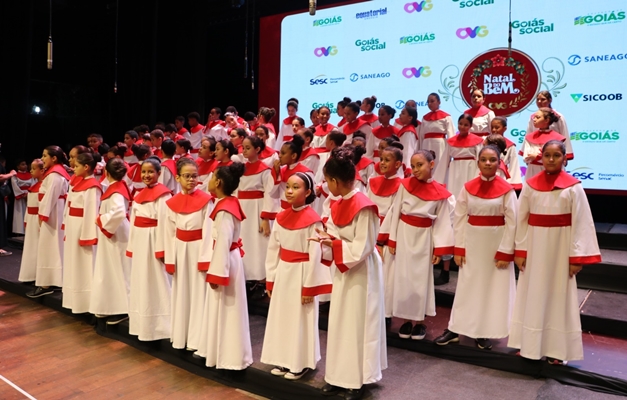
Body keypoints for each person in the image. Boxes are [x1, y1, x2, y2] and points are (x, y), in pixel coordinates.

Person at [509, 140, 601, 365]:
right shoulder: (530, 185)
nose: (550, 159)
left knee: (558, 297)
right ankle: (529, 346)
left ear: (564, 158)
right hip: (534, 248)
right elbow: (521, 220)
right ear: (541, 157)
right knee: (532, 295)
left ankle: (557, 350)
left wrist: (576, 257)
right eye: (547, 155)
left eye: (556, 155)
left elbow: (582, 224)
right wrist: (520, 250)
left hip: (561, 251)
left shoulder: (573, 187)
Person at [311, 147, 386, 400]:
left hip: (361, 271)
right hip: (345, 270)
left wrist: (336, 245)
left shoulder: (364, 207)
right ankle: (337, 376)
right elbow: (334, 232)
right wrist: (325, 238)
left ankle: (357, 379)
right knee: (341, 322)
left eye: (326, 180)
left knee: (358, 323)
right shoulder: (335, 202)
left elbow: (363, 246)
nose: (325, 185)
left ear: (334, 180)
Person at [434, 145, 518, 350]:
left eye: (492, 160)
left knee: (492, 289)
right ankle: (456, 328)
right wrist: (459, 248)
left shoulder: (507, 190)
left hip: (496, 246)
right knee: (467, 287)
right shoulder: (467, 187)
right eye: (484, 160)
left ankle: (484, 333)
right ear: (477, 162)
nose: (488, 163)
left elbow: (513, 222)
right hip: (472, 245)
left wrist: (506, 251)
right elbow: (460, 219)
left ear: (499, 163)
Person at [261, 172, 331, 380]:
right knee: (282, 317)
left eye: (296, 187)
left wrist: (310, 287)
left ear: (308, 192)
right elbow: (273, 250)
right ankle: (284, 359)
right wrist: (271, 279)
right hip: (284, 271)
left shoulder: (313, 221)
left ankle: (300, 363)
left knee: (300, 319)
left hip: (302, 274)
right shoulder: (281, 216)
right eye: (288, 187)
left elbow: (315, 255)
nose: (289, 191)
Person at [384, 150, 454, 340]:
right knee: (404, 278)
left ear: (431, 165)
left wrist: (439, 249)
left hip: (424, 238)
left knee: (420, 280)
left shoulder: (440, 193)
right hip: (405, 234)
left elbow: (441, 222)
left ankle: (420, 322)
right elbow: (395, 210)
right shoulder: (404, 186)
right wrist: (392, 238)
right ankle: (406, 320)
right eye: (413, 166)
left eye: (420, 165)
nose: (415, 170)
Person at [196, 162, 253, 370]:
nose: (208, 180)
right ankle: (216, 352)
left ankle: (229, 357)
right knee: (223, 308)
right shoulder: (228, 203)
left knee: (228, 309)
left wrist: (217, 273)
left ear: (218, 182)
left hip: (226, 260)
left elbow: (223, 242)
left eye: (211, 177)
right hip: (228, 258)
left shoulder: (224, 210)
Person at [163, 157, 213, 351]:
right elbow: (168, 232)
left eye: (194, 176)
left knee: (198, 294)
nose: (191, 180)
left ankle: (196, 340)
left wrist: (205, 259)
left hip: (198, 249)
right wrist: (170, 259)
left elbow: (208, 231)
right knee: (181, 293)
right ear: (177, 178)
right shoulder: (171, 202)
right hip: (180, 250)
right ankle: (181, 336)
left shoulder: (206, 201)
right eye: (187, 176)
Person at [127, 158, 173, 341]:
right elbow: (133, 221)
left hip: (154, 240)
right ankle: (142, 323)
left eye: (150, 172)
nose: (146, 175)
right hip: (140, 240)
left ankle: (161, 326)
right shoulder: (138, 195)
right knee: (141, 280)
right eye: (143, 172)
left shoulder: (163, 195)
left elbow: (165, 223)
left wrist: (162, 249)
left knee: (157, 279)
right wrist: (132, 246)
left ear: (159, 174)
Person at [90, 158, 132, 324]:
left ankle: (123, 308)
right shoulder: (116, 188)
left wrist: (101, 219)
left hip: (117, 233)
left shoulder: (116, 191)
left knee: (120, 269)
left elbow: (119, 212)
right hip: (115, 232)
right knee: (112, 269)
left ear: (106, 172)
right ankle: (111, 306)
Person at [27, 146, 70, 297]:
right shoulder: (54, 173)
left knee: (49, 247)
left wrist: (42, 215)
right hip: (54, 213)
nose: (43, 158)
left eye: (45, 156)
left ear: (54, 158)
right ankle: (53, 280)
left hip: (52, 215)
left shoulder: (54, 175)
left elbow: (49, 197)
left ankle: (46, 284)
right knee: (53, 247)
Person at [62, 152, 101, 314]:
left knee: (84, 265)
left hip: (82, 229)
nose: (73, 168)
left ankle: (86, 304)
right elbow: (69, 205)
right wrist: (66, 224)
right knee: (73, 264)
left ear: (86, 167)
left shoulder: (92, 186)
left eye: (77, 166)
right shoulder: (78, 182)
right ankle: (73, 301)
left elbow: (91, 212)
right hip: (73, 226)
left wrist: (87, 235)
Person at [237, 136, 278, 289]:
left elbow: (269, 194)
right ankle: (246, 275)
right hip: (243, 208)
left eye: (248, 148)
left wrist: (266, 218)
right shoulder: (240, 169)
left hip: (257, 209)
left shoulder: (265, 170)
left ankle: (261, 278)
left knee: (258, 243)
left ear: (258, 149)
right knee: (245, 242)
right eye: (243, 147)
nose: (244, 151)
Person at [368, 146, 403, 322]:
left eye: (387, 160)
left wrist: (381, 239)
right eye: (381, 159)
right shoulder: (373, 181)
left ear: (398, 164)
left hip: (386, 234)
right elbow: (367, 205)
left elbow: (393, 212)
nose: (382, 163)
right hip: (371, 228)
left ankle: (385, 313)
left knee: (385, 273)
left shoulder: (402, 185)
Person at [520, 108, 572, 179]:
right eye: (534, 117)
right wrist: (542, 156)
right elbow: (526, 157)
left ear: (547, 120)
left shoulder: (557, 138)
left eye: (537, 117)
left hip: (552, 170)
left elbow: (556, 158)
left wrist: (537, 156)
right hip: (533, 171)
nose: (534, 120)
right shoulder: (529, 137)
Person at [18, 159, 44, 281]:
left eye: (34, 169)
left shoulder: (44, 187)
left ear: (42, 170)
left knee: (37, 248)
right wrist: (26, 219)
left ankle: (36, 275)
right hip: (31, 219)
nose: (31, 171)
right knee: (30, 247)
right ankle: (29, 275)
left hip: (38, 220)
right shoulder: (35, 186)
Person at [421, 93, 455, 184]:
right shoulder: (424, 118)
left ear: (439, 102)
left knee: (440, 166)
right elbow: (421, 136)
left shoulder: (446, 117)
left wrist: (450, 154)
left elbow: (451, 135)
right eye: (428, 102)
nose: (430, 104)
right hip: (426, 144)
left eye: (432, 101)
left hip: (440, 145)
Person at [446, 114, 484, 198]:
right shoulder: (450, 141)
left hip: (470, 168)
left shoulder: (477, 141)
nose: (462, 127)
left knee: (469, 192)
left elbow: (480, 159)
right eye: (460, 124)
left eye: (466, 125)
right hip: (454, 170)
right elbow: (444, 161)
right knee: (455, 192)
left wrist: (478, 175)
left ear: (471, 126)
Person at [525, 90, 574, 155]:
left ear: (550, 100)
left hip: (554, 152)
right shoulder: (532, 117)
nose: (539, 102)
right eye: (537, 100)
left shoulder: (558, 117)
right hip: (535, 154)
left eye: (543, 99)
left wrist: (566, 155)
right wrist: (527, 154)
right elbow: (529, 135)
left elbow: (564, 135)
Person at [273, 135, 314, 210]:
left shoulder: (305, 173)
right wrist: (276, 173)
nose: (279, 156)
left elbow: (310, 197)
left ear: (293, 156)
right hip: (282, 210)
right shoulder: (281, 171)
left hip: (300, 210)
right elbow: (274, 194)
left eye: (283, 153)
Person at [490, 117, 522, 189]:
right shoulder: (485, 143)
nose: (494, 130)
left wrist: (512, 183)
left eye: (497, 127)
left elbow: (514, 165)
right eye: (492, 127)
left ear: (505, 129)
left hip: (502, 176)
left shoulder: (510, 146)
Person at [10, 160, 34, 235]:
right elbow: (15, 186)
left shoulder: (31, 174)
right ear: (18, 166)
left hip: (29, 195)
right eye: (22, 164)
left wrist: (29, 193)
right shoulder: (15, 175)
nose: (25, 166)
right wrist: (21, 194)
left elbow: (33, 184)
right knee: (20, 213)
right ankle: (19, 231)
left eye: (25, 164)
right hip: (20, 197)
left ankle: (28, 229)